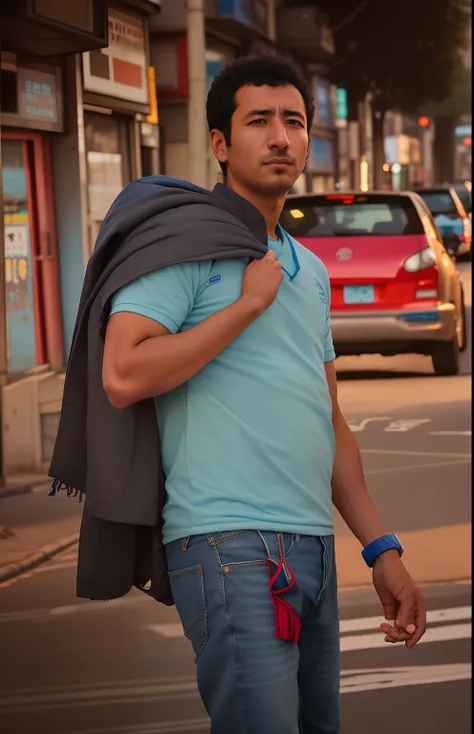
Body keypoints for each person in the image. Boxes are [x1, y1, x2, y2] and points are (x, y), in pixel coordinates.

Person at [102, 56, 426, 734]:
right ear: (220, 145)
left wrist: (381, 549)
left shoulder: (306, 268)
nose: (280, 137)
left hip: (310, 543)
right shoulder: (184, 245)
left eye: (294, 122)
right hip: (227, 543)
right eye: (259, 121)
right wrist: (244, 307)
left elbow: (328, 417)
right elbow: (124, 371)